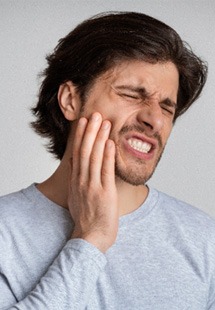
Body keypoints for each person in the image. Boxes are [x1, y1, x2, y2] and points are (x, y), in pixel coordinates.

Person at [0, 11, 214, 310]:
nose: (154, 119)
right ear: (71, 100)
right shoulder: (5, 232)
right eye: (131, 94)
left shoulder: (204, 240)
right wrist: (91, 239)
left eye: (167, 108)